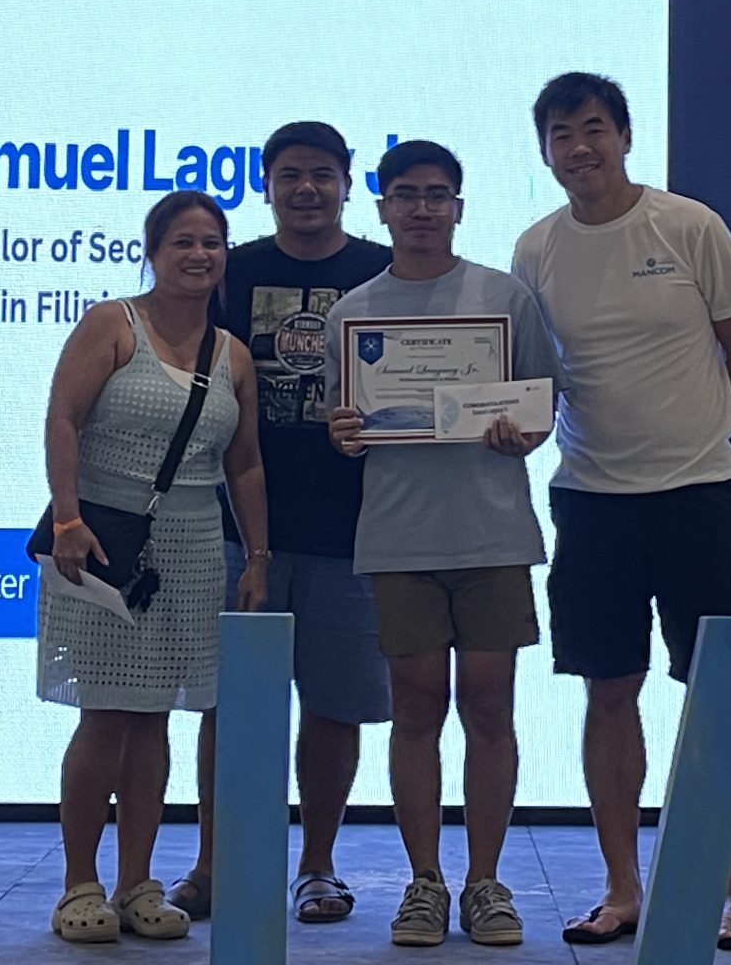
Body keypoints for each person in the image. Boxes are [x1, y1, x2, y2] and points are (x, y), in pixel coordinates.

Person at [511, 72, 731, 951]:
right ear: (546, 151)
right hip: (591, 502)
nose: (579, 148)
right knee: (608, 689)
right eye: (561, 135)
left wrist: (701, 441)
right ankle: (623, 887)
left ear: (623, 136)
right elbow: (533, 377)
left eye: (593, 128)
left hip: (698, 498)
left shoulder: (690, 226)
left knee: (717, 696)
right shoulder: (536, 249)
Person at [320, 139, 562, 948]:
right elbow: (346, 422)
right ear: (381, 207)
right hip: (399, 539)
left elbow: (540, 407)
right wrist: (345, 433)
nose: (421, 208)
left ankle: (485, 883)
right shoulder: (352, 314)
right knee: (415, 709)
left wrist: (520, 432)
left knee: (489, 707)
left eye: (436, 195)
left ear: (458, 207)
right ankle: (424, 883)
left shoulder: (505, 298)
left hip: (492, 535)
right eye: (406, 195)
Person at [174, 121, 393, 925]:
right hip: (232, 530)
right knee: (227, 706)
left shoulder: (384, 270)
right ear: (265, 185)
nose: (307, 188)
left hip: (355, 531)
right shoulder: (231, 272)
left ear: (347, 185)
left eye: (323, 174)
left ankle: (318, 866)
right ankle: (213, 864)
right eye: (291, 174)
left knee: (335, 708)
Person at [37, 191, 269, 945]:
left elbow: (245, 465)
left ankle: (137, 882)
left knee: (155, 715)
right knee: (104, 712)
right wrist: (66, 517)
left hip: (193, 548)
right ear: (153, 252)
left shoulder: (233, 355)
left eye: (211, 243)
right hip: (102, 542)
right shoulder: (111, 324)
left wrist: (257, 555)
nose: (198, 255)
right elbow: (63, 420)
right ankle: (79, 884)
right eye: (182, 242)